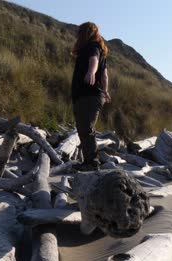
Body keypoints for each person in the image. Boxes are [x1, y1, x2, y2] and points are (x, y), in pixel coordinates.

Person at [71, 22, 111, 171]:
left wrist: (91, 72)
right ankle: (89, 161)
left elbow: (93, 60)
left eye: (80, 32)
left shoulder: (92, 46)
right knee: (84, 127)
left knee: (86, 128)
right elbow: (105, 75)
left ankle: (92, 162)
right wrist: (105, 91)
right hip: (92, 95)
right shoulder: (99, 50)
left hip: (88, 94)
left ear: (86, 32)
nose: (78, 35)